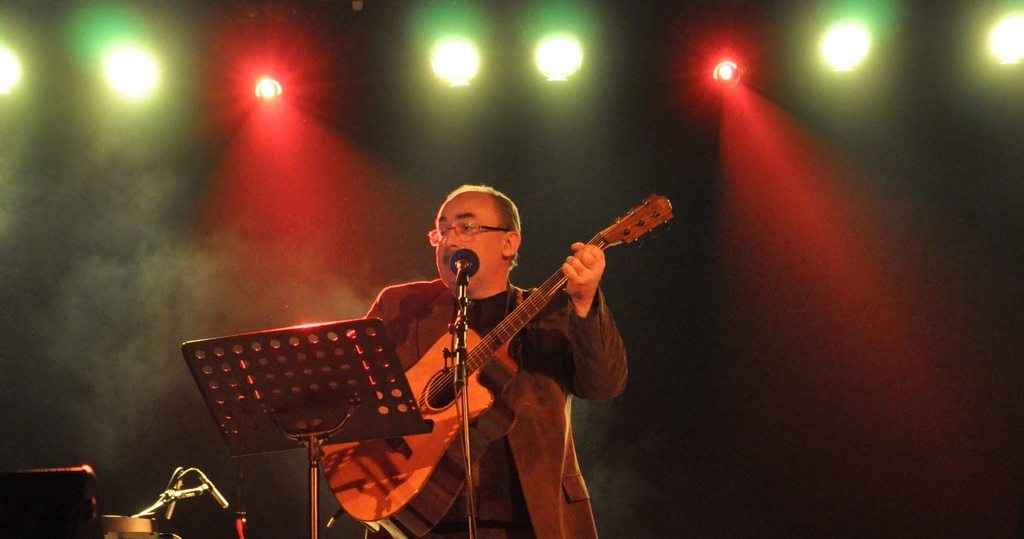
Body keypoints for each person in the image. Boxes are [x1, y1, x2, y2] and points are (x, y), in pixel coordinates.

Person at [364, 184, 627, 538]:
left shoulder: (550, 313)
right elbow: (357, 402)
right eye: (442, 230)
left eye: (466, 227)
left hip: (529, 521)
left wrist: (584, 303)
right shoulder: (403, 308)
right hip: (416, 517)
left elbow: (603, 384)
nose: (449, 240)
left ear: (509, 243)